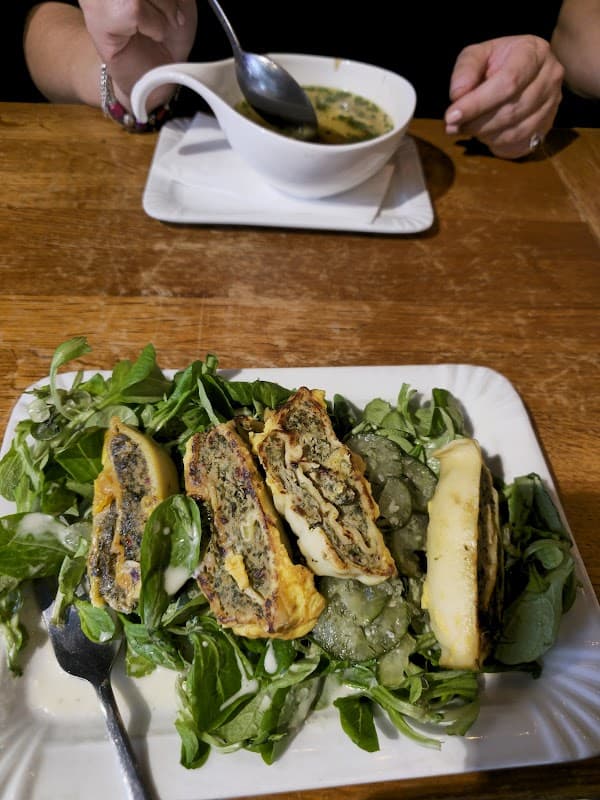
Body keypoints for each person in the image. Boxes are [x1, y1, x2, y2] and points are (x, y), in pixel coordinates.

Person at [19, 1, 597, 158]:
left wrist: (539, 72)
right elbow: (37, 20)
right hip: (199, 185)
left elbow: (580, 37)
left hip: (439, 178)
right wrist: (123, 80)